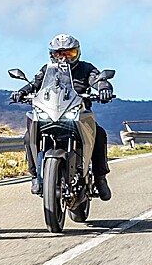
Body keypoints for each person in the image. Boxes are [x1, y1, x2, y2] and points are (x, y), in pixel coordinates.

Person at [10, 34, 114, 201]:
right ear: (52, 55)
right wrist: (21, 92)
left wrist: (104, 88)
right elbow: (34, 84)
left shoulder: (86, 68)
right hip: (51, 112)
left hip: (78, 112)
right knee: (28, 135)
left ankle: (100, 178)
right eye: (59, 54)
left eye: (70, 53)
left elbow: (97, 80)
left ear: (77, 53)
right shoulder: (47, 70)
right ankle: (35, 175)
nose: (64, 57)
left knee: (99, 134)